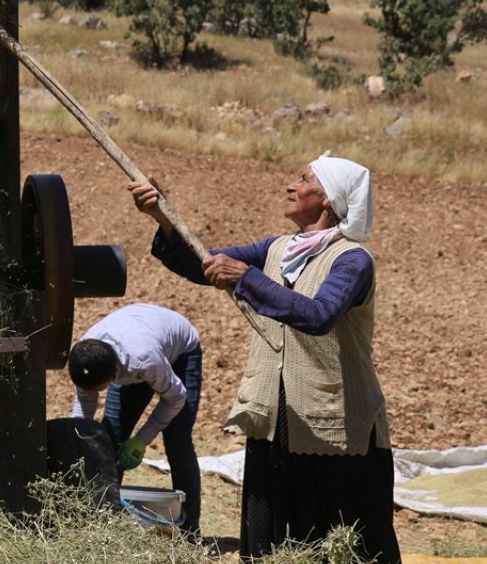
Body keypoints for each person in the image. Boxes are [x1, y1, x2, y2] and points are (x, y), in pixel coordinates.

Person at [127, 152, 401, 563]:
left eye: (303, 178)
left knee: (348, 541)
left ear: (327, 199)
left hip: (337, 427)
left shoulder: (352, 260)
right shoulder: (276, 249)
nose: (291, 185)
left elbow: (318, 315)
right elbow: (203, 263)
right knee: (273, 539)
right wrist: (161, 216)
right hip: (275, 418)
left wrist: (246, 277)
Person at [68, 302, 203, 539]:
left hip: (179, 350)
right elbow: (84, 407)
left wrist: (142, 439)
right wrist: (79, 442)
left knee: (177, 440)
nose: (91, 394)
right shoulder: (86, 357)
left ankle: (188, 531)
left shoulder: (143, 360)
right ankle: (103, 520)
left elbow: (174, 398)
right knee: (110, 440)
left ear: (113, 375)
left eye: (96, 390)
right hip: (138, 337)